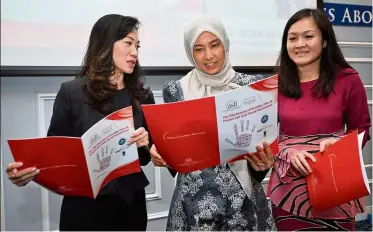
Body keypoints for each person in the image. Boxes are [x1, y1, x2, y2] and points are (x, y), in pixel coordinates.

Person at [5, 14, 155, 231]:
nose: (135, 52)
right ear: (105, 44)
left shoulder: (142, 96)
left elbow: (144, 159)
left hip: (129, 205)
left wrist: (145, 145)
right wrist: (26, 172)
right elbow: (54, 155)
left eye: (137, 46)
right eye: (128, 44)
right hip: (83, 208)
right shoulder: (72, 93)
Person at [150, 18, 277, 231]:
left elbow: (262, 144)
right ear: (191, 53)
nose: (208, 56)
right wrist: (162, 153)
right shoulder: (176, 90)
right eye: (199, 49)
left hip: (242, 202)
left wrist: (263, 162)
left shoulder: (251, 87)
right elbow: (176, 158)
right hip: (194, 206)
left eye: (214, 45)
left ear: (225, 45)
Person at [267, 8, 371, 231]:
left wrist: (341, 145)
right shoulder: (274, 84)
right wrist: (288, 153)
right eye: (292, 38)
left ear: (324, 41)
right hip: (289, 192)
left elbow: (362, 129)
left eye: (308, 36)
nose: (299, 44)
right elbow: (264, 137)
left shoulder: (348, 80)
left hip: (334, 187)